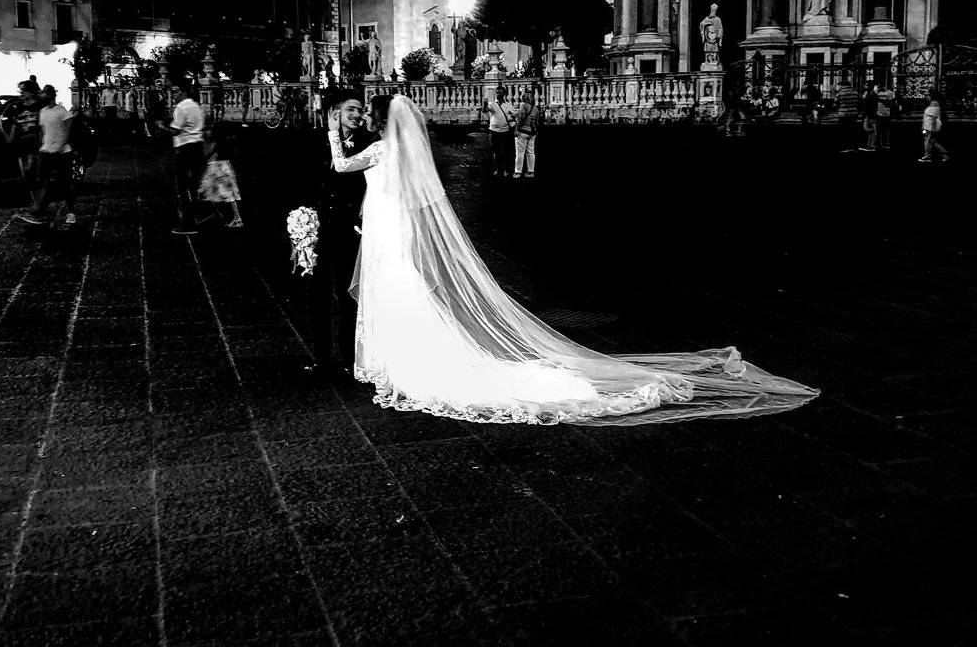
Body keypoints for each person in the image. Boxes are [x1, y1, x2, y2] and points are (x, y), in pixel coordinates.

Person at [327, 94, 818, 424]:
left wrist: (331, 130)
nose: (363, 118)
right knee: (402, 289)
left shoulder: (379, 150)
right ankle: (400, 356)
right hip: (393, 225)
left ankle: (395, 360)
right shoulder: (401, 152)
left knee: (392, 289)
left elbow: (340, 165)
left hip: (385, 227)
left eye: (366, 113)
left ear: (381, 120)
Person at [306, 88, 377, 379]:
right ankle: (321, 358)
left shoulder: (369, 142)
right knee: (318, 295)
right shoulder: (313, 141)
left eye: (360, 109)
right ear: (335, 112)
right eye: (351, 109)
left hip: (351, 230)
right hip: (319, 229)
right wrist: (302, 221)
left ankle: (350, 357)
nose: (357, 115)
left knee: (349, 295)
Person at [165, 81, 211, 235]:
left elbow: (175, 130)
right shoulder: (196, 106)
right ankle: (202, 213)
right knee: (194, 183)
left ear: (184, 92)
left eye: (176, 91)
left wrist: (161, 127)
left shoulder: (181, 107)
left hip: (184, 147)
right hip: (198, 145)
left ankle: (189, 223)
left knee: (182, 187)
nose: (173, 95)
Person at [30, 85, 79, 230]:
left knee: (64, 183)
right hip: (46, 150)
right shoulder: (43, 111)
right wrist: (43, 145)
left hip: (62, 152)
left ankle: (71, 213)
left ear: (51, 95)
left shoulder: (61, 111)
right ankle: (41, 209)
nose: (42, 96)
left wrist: (60, 146)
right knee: (42, 181)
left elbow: (68, 131)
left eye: (45, 93)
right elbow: (43, 131)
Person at [1, 79, 46, 223]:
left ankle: (39, 207)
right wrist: (8, 135)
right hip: (21, 145)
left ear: (31, 92)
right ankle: (37, 204)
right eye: (20, 90)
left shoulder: (40, 106)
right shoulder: (15, 107)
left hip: (36, 144)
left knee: (34, 172)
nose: (21, 93)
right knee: (27, 176)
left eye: (23, 90)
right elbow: (6, 122)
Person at [198, 128, 244, 228]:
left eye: (207, 132)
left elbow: (207, 155)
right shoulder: (210, 143)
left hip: (219, 168)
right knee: (208, 193)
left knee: (226, 194)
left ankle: (237, 219)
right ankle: (231, 218)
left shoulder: (213, 144)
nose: (205, 133)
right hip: (216, 168)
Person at [484, 85, 514, 177]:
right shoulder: (492, 104)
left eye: (500, 93)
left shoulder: (508, 104)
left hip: (505, 130)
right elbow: (485, 110)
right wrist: (484, 104)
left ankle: (505, 170)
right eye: (497, 93)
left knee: (505, 151)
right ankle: (498, 169)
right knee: (496, 151)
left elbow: (513, 115)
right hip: (494, 130)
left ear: (504, 94)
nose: (498, 95)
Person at [513, 88, 543, 179]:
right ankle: (531, 171)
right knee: (531, 152)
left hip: (523, 131)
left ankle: (518, 172)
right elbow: (538, 121)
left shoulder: (523, 105)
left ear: (524, 98)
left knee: (520, 153)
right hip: (532, 132)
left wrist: (516, 129)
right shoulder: (535, 108)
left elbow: (521, 118)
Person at [919, 89, 949, 163]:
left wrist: (929, 129)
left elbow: (933, 118)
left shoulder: (934, 104)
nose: (926, 96)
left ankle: (928, 157)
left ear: (932, 96)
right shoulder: (933, 104)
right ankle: (945, 154)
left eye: (928, 95)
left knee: (928, 141)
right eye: (926, 95)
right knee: (933, 142)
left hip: (930, 127)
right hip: (929, 127)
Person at [834, 79, 860, 150]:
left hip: (843, 113)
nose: (838, 87)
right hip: (853, 113)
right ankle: (853, 146)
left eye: (839, 86)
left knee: (844, 130)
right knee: (852, 130)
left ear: (843, 85)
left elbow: (835, 104)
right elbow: (859, 103)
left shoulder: (840, 93)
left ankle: (844, 147)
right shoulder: (855, 92)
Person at [860, 81, 881, 152]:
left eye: (866, 85)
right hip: (871, 115)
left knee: (871, 130)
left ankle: (871, 146)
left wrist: (868, 115)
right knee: (870, 130)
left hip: (870, 115)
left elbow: (869, 106)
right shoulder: (870, 94)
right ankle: (870, 145)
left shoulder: (871, 95)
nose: (864, 86)